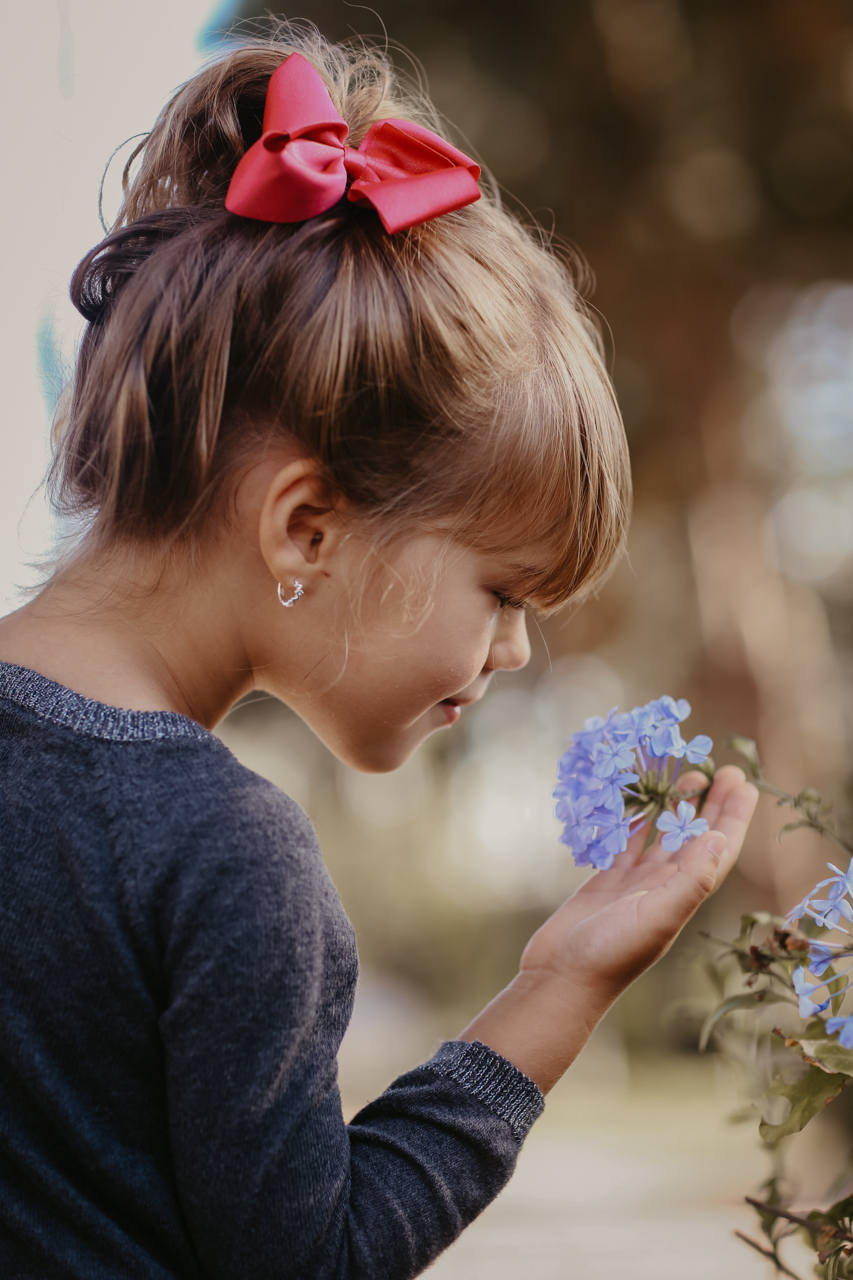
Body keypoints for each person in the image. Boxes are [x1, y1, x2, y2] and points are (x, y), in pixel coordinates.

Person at [0, 26, 758, 1280]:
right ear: (307, 524)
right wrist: (557, 987)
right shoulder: (221, 853)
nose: (514, 649)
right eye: (502, 589)